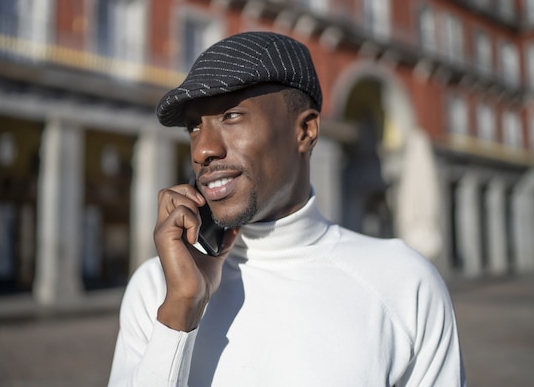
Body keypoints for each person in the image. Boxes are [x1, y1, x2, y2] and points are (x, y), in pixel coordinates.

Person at [107, 31, 466, 387]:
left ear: (306, 131)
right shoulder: (157, 288)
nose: (203, 149)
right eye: (194, 126)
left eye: (231, 115)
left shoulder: (404, 283)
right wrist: (181, 310)